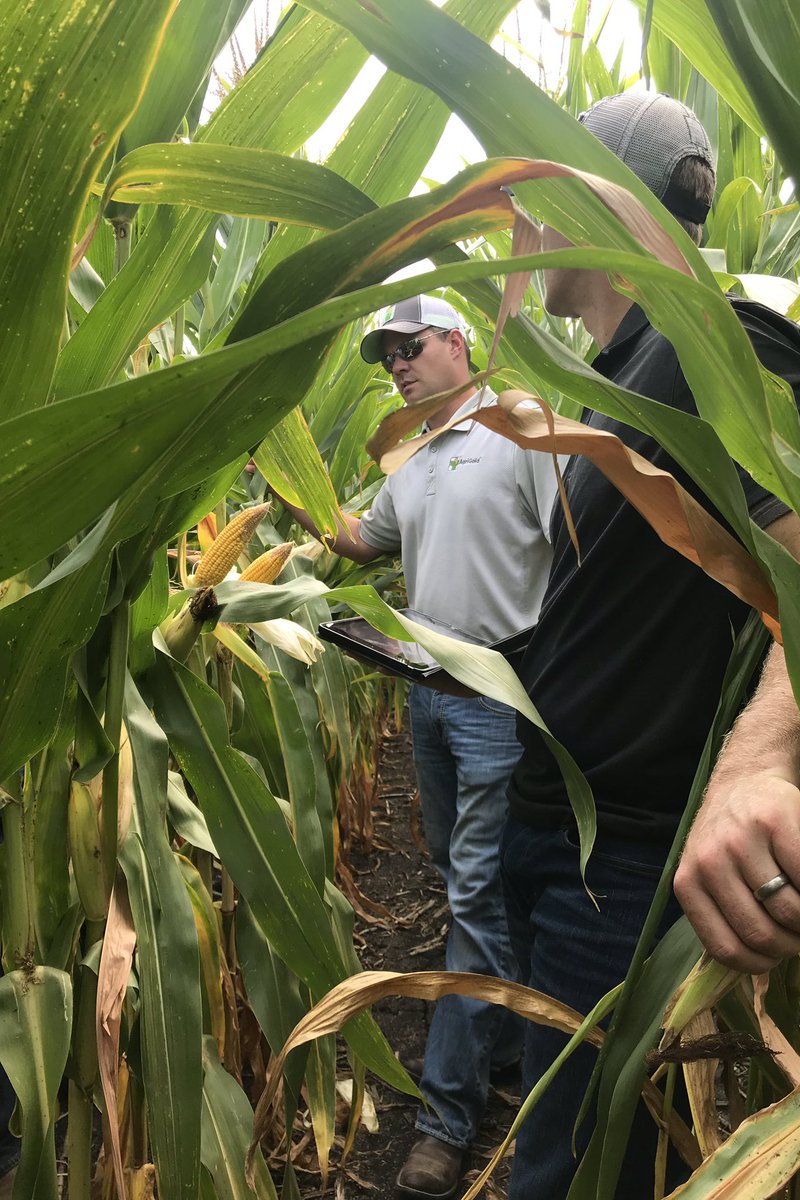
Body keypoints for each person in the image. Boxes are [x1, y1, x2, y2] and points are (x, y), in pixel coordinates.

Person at [499, 92, 800, 1199]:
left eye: (531, 196)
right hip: (567, 858)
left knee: (577, 1177)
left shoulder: (721, 346)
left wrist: (756, 763)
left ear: (585, 200)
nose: (514, 228)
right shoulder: (624, 377)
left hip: (634, 880)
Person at [277, 295, 563, 1199]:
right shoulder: (409, 458)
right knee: (459, 875)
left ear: (456, 344)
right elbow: (363, 542)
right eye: (386, 354)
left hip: (495, 695)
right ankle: (512, 1037)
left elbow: (579, 551)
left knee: (474, 893)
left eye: (410, 346)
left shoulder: (522, 430)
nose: (397, 364)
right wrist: (281, 481)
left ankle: (446, 1117)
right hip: (425, 699)